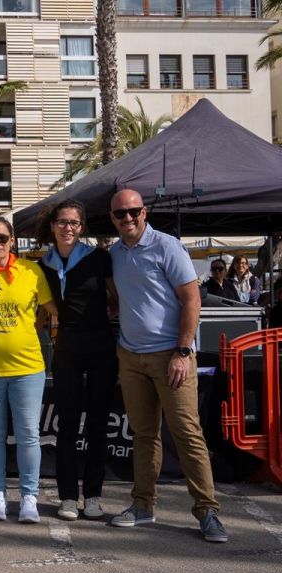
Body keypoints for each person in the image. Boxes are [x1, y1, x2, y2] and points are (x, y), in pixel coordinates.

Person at [107, 189, 227, 543]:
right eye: (119, 214)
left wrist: (183, 351)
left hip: (171, 355)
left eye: (132, 212)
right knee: (143, 435)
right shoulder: (115, 253)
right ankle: (143, 505)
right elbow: (122, 298)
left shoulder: (167, 247)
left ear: (144, 212)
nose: (127, 218)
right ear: (112, 218)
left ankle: (208, 511)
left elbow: (192, 301)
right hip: (130, 357)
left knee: (187, 434)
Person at [0, 216, 55, 524]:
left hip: (28, 368)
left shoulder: (31, 271)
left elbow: (51, 310)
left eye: (3, 238)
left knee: (29, 434)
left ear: (12, 240)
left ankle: (29, 497)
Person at [37, 200, 117, 521]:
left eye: (74, 223)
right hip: (67, 348)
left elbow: (114, 299)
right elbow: (42, 312)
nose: (68, 228)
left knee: (97, 425)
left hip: (101, 347)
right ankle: (69, 497)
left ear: (81, 227)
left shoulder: (99, 258)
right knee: (67, 426)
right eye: (62, 222)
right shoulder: (43, 265)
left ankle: (93, 496)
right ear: (53, 226)